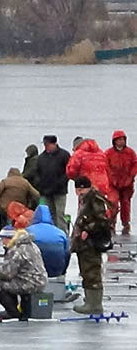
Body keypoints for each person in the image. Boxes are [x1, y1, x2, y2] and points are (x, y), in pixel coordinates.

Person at [71, 176, 113, 314]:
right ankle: (90, 300)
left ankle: (94, 304)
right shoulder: (87, 198)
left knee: (92, 271)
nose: (79, 192)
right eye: (77, 190)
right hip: (84, 244)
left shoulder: (95, 199)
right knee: (86, 271)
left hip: (92, 243)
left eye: (81, 189)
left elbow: (103, 221)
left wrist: (87, 230)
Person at [0, 229, 48, 321]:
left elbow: (6, 273)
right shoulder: (32, 245)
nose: (2, 241)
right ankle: (16, 309)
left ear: (9, 238)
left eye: (3, 238)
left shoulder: (17, 250)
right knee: (9, 282)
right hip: (39, 281)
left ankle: (12, 312)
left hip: (29, 283)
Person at [0, 168, 40, 232]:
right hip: (20, 210)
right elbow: (37, 195)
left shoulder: (5, 181)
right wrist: (31, 207)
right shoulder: (25, 182)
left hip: (4, 209)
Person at [36, 135, 72, 233]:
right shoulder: (41, 158)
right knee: (49, 215)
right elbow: (38, 173)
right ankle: (52, 234)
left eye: (47, 144)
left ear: (54, 144)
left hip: (60, 191)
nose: (46, 146)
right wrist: (40, 186)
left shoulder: (64, 155)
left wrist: (61, 183)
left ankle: (62, 234)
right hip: (46, 191)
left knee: (60, 214)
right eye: (44, 144)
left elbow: (68, 172)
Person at [105, 130, 137, 235]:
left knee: (126, 204)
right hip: (113, 184)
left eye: (123, 139)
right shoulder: (108, 153)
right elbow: (106, 167)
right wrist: (111, 179)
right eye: (118, 140)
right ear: (114, 141)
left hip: (127, 184)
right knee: (112, 202)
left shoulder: (130, 152)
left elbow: (135, 165)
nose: (121, 141)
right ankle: (111, 223)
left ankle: (125, 223)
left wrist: (130, 177)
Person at [26, 204, 70, 277]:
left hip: (35, 269)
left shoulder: (28, 231)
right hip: (56, 268)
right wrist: (63, 271)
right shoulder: (60, 233)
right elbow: (67, 253)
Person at [67, 137, 112, 206]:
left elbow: (71, 172)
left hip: (85, 186)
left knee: (84, 209)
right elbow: (108, 170)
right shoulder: (101, 153)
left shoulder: (78, 154)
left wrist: (77, 180)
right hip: (102, 186)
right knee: (99, 208)